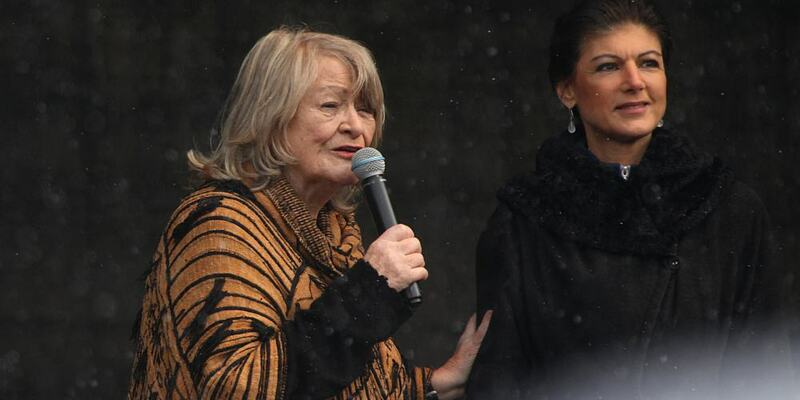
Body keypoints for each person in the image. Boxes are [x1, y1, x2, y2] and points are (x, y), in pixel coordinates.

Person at [128, 27, 491, 400]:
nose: (355, 125)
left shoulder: (334, 234)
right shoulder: (220, 223)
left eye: (365, 109)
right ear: (270, 117)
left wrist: (437, 384)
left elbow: (338, 380)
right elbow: (239, 387)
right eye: (331, 106)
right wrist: (367, 294)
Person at [466, 0, 793, 398]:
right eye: (608, 66)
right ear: (567, 90)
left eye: (650, 63)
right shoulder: (525, 221)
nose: (635, 81)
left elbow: (765, 370)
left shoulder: (727, 209)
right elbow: (499, 381)